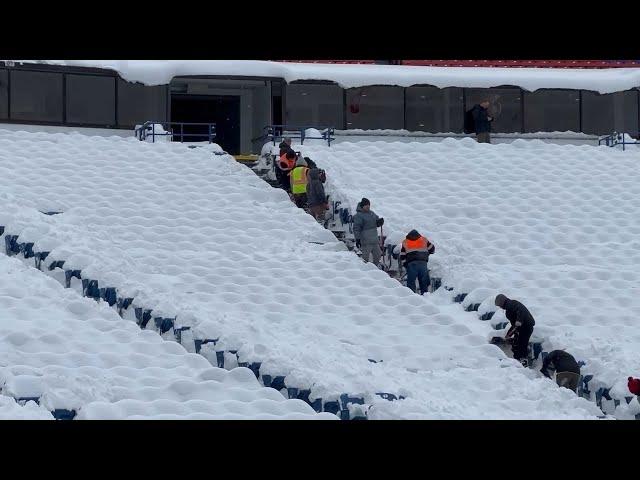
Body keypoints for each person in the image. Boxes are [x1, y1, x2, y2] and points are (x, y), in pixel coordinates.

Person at [494, 294, 535, 366]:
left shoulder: (513, 304)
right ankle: (516, 361)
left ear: (502, 302)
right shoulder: (508, 311)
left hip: (527, 326)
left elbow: (521, 311)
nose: (500, 307)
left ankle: (524, 362)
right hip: (520, 328)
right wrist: (508, 335)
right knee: (516, 344)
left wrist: (519, 320)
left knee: (522, 344)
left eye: (499, 305)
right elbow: (514, 325)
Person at [394, 230, 435, 295]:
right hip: (423, 263)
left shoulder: (405, 242)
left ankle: (411, 297)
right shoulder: (424, 240)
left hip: (411, 264)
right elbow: (432, 249)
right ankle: (425, 296)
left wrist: (405, 265)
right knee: (423, 281)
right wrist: (426, 253)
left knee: (411, 282)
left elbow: (402, 255)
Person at [352, 198, 384, 266]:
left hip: (374, 241)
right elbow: (356, 228)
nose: (368, 206)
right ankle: (364, 271)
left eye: (368, 205)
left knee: (378, 255)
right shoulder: (359, 215)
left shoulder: (372, 213)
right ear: (362, 206)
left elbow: (376, 221)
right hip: (366, 241)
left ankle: (375, 269)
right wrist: (357, 239)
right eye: (366, 205)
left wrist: (379, 222)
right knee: (364, 259)